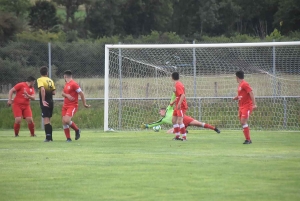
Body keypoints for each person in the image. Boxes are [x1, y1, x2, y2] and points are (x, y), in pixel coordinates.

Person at [141, 93, 220, 136]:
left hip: (183, 119)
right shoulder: (163, 120)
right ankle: (184, 130)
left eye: (160, 111)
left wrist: (174, 92)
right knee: (168, 132)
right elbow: (155, 123)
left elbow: (172, 99)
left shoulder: (169, 109)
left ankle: (214, 128)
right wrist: (147, 126)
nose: (159, 113)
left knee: (199, 124)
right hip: (178, 125)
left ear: (164, 110)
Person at [61, 70, 90, 142]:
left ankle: (77, 130)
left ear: (65, 76)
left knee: (67, 120)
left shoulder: (74, 84)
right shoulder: (66, 84)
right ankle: (68, 138)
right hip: (65, 105)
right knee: (64, 122)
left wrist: (84, 104)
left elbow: (81, 93)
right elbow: (63, 93)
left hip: (72, 105)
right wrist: (67, 95)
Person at [233, 71, 257, 144]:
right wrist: (236, 97)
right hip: (241, 106)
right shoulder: (240, 85)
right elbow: (242, 95)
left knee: (243, 121)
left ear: (237, 77)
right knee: (242, 122)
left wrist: (254, 104)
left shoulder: (244, 84)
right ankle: (248, 139)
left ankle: (248, 140)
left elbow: (251, 93)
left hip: (247, 106)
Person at [37, 66, 56, 142]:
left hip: (45, 102)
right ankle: (50, 137)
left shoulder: (40, 79)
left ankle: (48, 138)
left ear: (40, 73)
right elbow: (54, 92)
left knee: (46, 119)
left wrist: (43, 100)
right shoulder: (50, 80)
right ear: (47, 73)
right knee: (48, 120)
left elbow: (42, 89)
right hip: (51, 101)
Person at [171, 72, 188, 140]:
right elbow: (178, 96)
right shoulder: (177, 84)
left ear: (172, 77)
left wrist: (179, 104)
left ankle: (184, 137)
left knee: (179, 121)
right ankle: (177, 136)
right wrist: (173, 102)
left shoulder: (178, 85)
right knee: (174, 120)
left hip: (181, 106)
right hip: (177, 105)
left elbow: (183, 95)